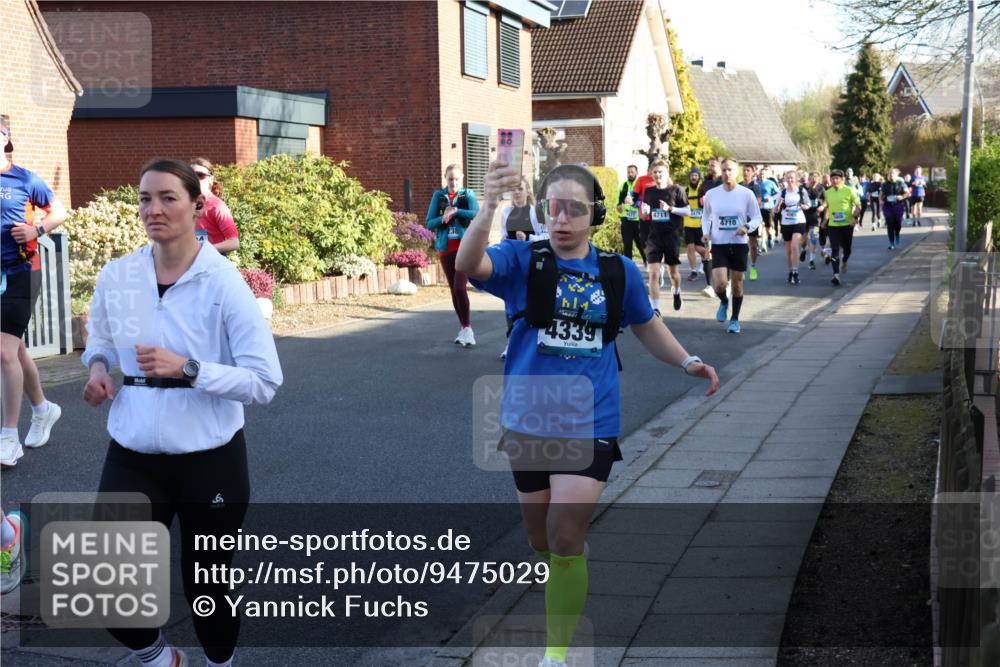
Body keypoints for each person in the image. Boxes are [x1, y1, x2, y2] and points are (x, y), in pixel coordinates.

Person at [455, 159, 719, 667]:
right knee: (542, 538)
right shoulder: (521, 261)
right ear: (542, 212)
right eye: (554, 207)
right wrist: (487, 206)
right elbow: (469, 265)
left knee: (566, 529)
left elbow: (645, 325)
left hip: (590, 419)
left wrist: (687, 361)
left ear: (594, 214)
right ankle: (564, 566)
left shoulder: (617, 272)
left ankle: (556, 654)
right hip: (528, 417)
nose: (563, 218)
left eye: (575, 209)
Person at [82, 158, 283, 667]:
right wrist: (100, 368)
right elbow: (102, 339)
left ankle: (220, 663)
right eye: (146, 198)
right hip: (132, 452)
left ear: (198, 206)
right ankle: (158, 658)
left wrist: (190, 369)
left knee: (206, 591)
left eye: (168, 197)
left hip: (208, 458)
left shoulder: (223, 283)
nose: (154, 209)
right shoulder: (120, 274)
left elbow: (264, 381)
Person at [0, 116, 66, 467]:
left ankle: (7, 438)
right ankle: (43, 408)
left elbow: (60, 210)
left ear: (5, 138)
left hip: (22, 272)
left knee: (3, 352)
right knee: (17, 350)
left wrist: (35, 228)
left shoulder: (23, 178)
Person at [701, 158, 763, 334]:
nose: (727, 173)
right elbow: (705, 217)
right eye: (724, 170)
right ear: (720, 171)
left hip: (738, 245)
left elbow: (757, 217)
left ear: (736, 172)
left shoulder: (746, 194)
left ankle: (735, 319)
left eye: (730, 170)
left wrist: (746, 227)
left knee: (736, 284)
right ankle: (723, 301)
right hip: (719, 243)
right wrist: (706, 232)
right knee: (719, 285)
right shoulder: (712, 194)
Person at [426, 164, 480, 347]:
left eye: (457, 178)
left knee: (459, 288)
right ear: (445, 178)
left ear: (462, 177)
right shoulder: (438, 196)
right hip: (445, 248)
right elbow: (429, 222)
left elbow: (476, 213)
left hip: (464, 247)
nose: (454, 182)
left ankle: (468, 330)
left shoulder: (468, 195)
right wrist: (443, 218)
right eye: (450, 179)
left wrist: (456, 211)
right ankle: (464, 328)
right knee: (453, 291)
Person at [500, 175, 546, 359]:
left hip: (531, 261)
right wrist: (504, 240)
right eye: (514, 189)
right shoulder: (506, 211)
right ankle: (510, 342)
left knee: (530, 302)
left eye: (520, 188)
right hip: (512, 262)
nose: (517, 192)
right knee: (509, 302)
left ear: (528, 191)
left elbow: (546, 237)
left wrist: (528, 238)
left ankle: (532, 343)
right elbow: (504, 234)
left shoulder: (536, 212)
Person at [638, 161, 690, 314]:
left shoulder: (677, 190)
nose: (658, 175)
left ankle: (676, 290)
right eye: (655, 172)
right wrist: (645, 210)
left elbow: (688, 211)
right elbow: (645, 210)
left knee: (673, 273)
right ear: (652, 175)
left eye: (660, 172)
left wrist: (670, 209)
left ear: (667, 173)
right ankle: (655, 309)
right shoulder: (649, 191)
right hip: (654, 237)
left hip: (671, 236)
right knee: (653, 273)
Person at [189, 158, 239, 256]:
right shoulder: (183, 204)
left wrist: (203, 250)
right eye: (191, 175)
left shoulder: (217, 206)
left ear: (210, 179)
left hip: (214, 264)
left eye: (200, 175)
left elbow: (234, 242)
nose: (195, 179)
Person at [822, 169, 862, 286]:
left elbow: (859, 206)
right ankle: (836, 275)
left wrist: (855, 218)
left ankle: (844, 261)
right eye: (833, 178)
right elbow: (828, 208)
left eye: (837, 178)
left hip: (847, 225)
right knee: (834, 249)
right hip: (833, 226)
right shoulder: (828, 192)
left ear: (842, 179)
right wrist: (825, 220)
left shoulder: (849, 191)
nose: (834, 181)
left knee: (847, 249)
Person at [774, 170, 811, 285]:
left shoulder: (801, 190)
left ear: (796, 179)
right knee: (789, 250)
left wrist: (804, 206)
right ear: (785, 179)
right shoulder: (782, 192)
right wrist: (779, 203)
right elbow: (775, 210)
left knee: (795, 246)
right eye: (788, 178)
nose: (790, 180)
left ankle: (795, 272)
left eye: (792, 178)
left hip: (799, 221)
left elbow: (808, 204)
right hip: (786, 222)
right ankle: (791, 271)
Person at [696, 158, 724, 297]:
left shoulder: (724, 182)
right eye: (709, 165)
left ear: (719, 167)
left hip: (723, 222)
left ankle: (727, 281)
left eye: (713, 165)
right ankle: (709, 286)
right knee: (708, 253)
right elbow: (700, 200)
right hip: (709, 222)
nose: (710, 167)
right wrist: (701, 201)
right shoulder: (705, 183)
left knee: (723, 253)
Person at [682, 167, 708, 282]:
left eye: (696, 176)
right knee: (690, 247)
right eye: (692, 175)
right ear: (689, 177)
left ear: (699, 177)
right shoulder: (685, 190)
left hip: (701, 224)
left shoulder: (702, 189)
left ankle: (708, 259)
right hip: (688, 223)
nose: (693, 177)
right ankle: (693, 271)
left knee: (699, 248)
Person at [616, 164, 645, 266]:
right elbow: (618, 205)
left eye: (632, 172)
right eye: (628, 172)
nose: (630, 174)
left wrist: (634, 203)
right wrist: (620, 205)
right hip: (626, 219)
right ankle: (629, 266)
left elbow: (643, 200)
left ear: (636, 173)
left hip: (638, 219)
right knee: (627, 244)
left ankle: (647, 263)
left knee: (641, 243)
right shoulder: (623, 186)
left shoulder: (640, 185)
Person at [740, 164, 763, 281]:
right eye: (744, 170)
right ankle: (742, 269)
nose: (745, 173)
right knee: (742, 246)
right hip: (740, 219)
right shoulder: (738, 185)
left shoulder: (756, 186)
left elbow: (758, 203)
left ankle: (753, 267)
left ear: (753, 172)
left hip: (751, 220)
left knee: (753, 245)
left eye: (748, 170)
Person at [881, 167, 909, 250]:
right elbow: (881, 195)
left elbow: (907, 193)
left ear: (896, 175)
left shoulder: (901, 183)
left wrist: (902, 196)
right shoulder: (885, 184)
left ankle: (897, 234)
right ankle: (891, 243)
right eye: (890, 173)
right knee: (890, 224)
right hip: (887, 206)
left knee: (898, 224)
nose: (891, 175)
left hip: (898, 206)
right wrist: (881, 201)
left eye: (893, 173)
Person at [802, 172, 825, 270]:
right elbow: (798, 199)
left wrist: (822, 206)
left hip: (815, 217)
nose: (814, 180)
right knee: (803, 239)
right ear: (809, 178)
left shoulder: (821, 188)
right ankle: (804, 249)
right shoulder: (803, 188)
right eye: (812, 178)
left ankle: (811, 260)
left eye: (816, 178)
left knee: (814, 238)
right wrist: (801, 205)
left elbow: (825, 200)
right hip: (803, 216)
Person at [757, 166, 780, 251]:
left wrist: (770, 198)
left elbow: (778, 194)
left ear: (766, 175)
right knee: (759, 227)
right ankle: (762, 245)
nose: (761, 176)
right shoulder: (756, 183)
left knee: (768, 227)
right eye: (760, 174)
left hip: (768, 207)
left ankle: (770, 237)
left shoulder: (770, 183)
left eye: (763, 174)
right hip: (759, 207)